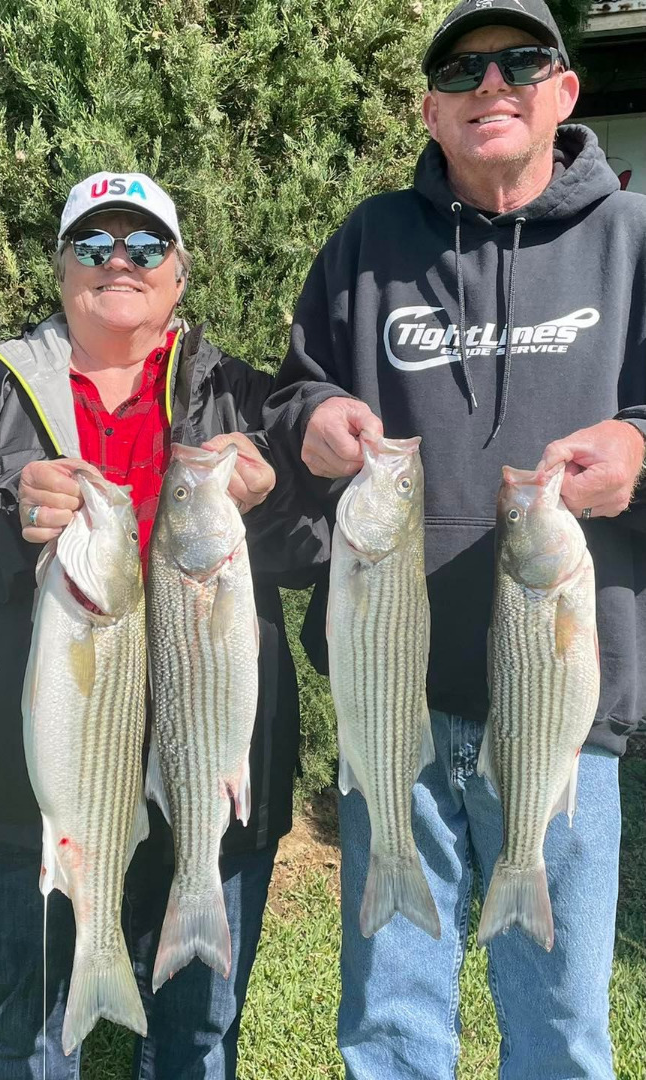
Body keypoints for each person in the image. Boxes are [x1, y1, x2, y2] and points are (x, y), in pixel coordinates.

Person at [265, 1, 646, 1076]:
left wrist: (638, 445)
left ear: (563, 92)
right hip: (396, 703)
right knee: (388, 1024)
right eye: (463, 70)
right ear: (430, 109)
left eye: (521, 62)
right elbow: (296, 396)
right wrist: (313, 422)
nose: (493, 85)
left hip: (564, 709)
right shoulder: (368, 243)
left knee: (563, 1031)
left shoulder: (632, 240)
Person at [0, 171, 326, 1079]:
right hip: (42, 781)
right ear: (59, 270)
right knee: (22, 1036)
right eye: (93, 246)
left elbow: (327, 545)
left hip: (209, 760)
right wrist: (8, 508)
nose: (118, 261)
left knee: (198, 1035)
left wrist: (274, 493)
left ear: (180, 272)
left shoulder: (242, 394)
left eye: (144, 245)